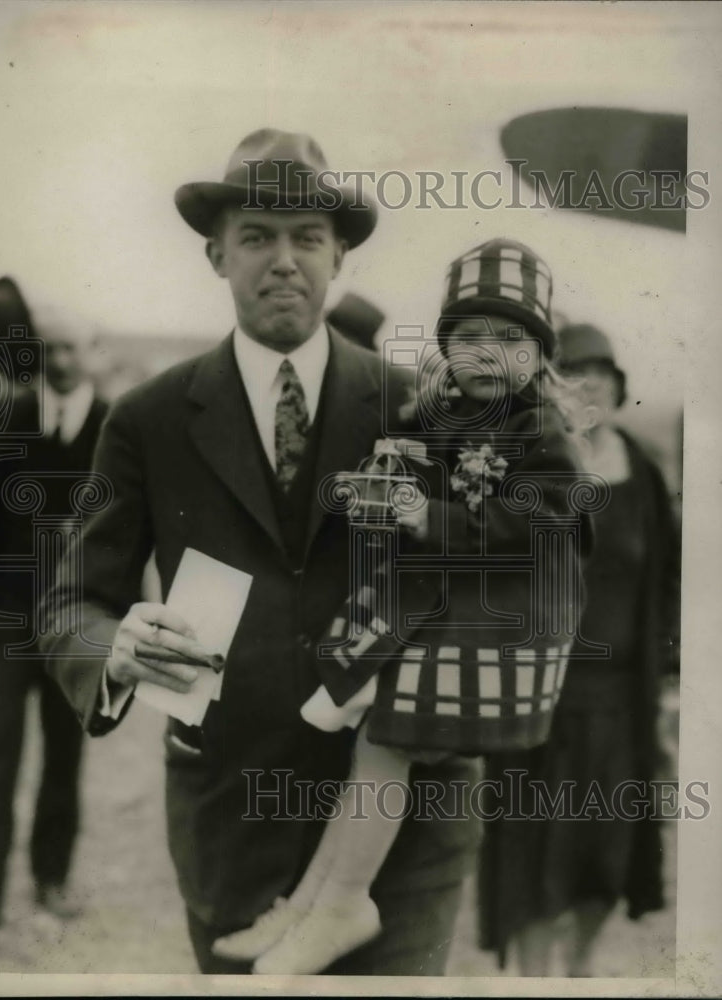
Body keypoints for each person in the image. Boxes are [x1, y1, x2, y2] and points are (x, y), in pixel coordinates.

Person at [40, 128, 476, 976]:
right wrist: (114, 648)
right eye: (256, 237)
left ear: (339, 255)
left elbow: (497, 568)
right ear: (215, 255)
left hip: (404, 826)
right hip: (232, 819)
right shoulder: (146, 418)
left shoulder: (420, 407)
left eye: (307, 237)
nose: (284, 260)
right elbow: (70, 605)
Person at [212, 238, 593, 974]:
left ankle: (345, 899)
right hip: (446, 603)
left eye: (509, 338)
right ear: (447, 344)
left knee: (386, 738)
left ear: (539, 353)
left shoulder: (538, 430)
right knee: (373, 739)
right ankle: (312, 903)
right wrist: (391, 478)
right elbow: (408, 468)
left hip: (503, 622)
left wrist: (432, 518)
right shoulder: (441, 412)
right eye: (470, 336)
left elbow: (541, 520)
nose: (487, 353)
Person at [477, 323, 681, 976]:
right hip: (540, 705)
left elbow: (669, 582)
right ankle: (535, 983)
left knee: (608, 852)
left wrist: (671, 682)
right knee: (534, 859)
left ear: (620, 389)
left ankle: (581, 970)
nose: (589, 388)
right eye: (574, 376)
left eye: (603, 375)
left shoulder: (643, 473)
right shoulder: (530, 466)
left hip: (622, 703)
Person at [0, 292, 108, 931]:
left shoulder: (117, 428)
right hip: (4, 625)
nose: (59, 359)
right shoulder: (1, 418)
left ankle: (51, 880)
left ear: (94, 351)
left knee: (64, 757)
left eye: (71, 346)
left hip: (75, 627)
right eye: (48, 347)